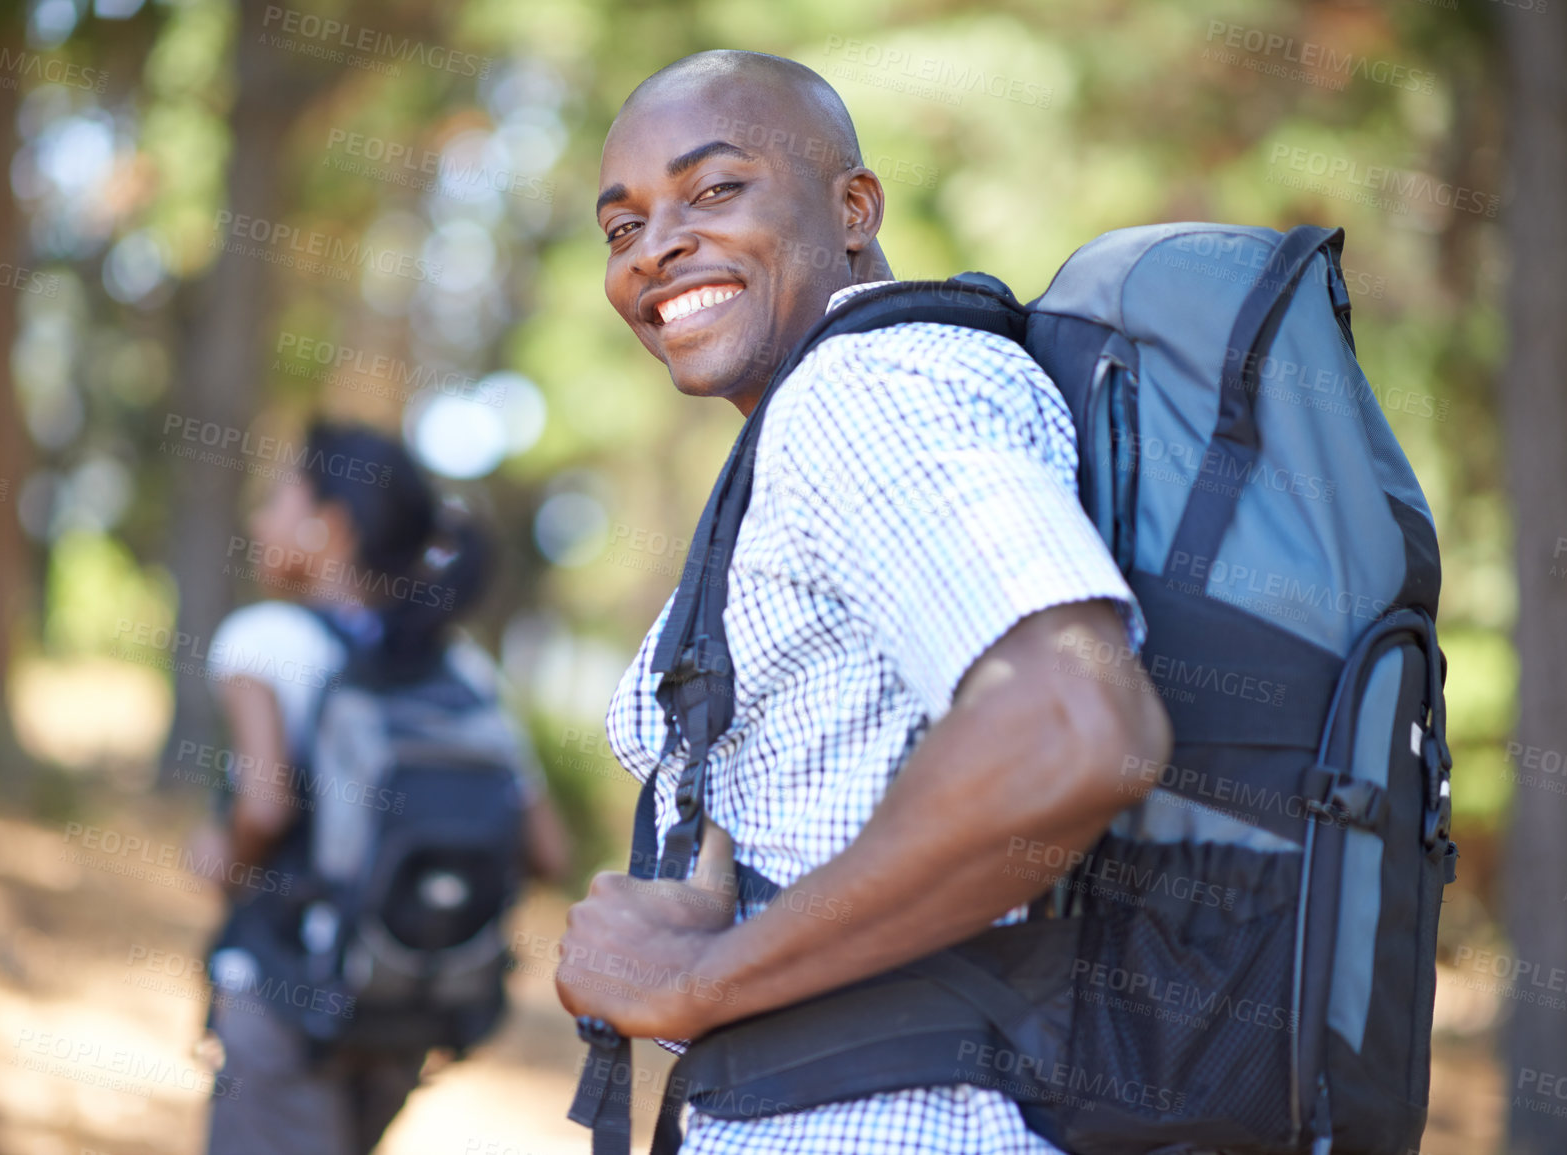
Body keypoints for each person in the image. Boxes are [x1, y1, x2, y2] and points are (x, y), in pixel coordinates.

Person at [555, 51, 1173, 1153]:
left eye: (713, 191)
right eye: (621, 227)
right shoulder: (837, 413)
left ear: (854, 208)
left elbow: (1076, 730)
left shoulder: (865, 392)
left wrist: (700, 980)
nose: (655, 248)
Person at [195, 419, 570, 1155]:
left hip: (288, 994)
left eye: (277, 498)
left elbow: (264, 805)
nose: (258, 518)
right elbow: (549, 850)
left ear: (329, 527)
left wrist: (222, 856)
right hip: (403, 1009)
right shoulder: (462, 672)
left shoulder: (264, 640)